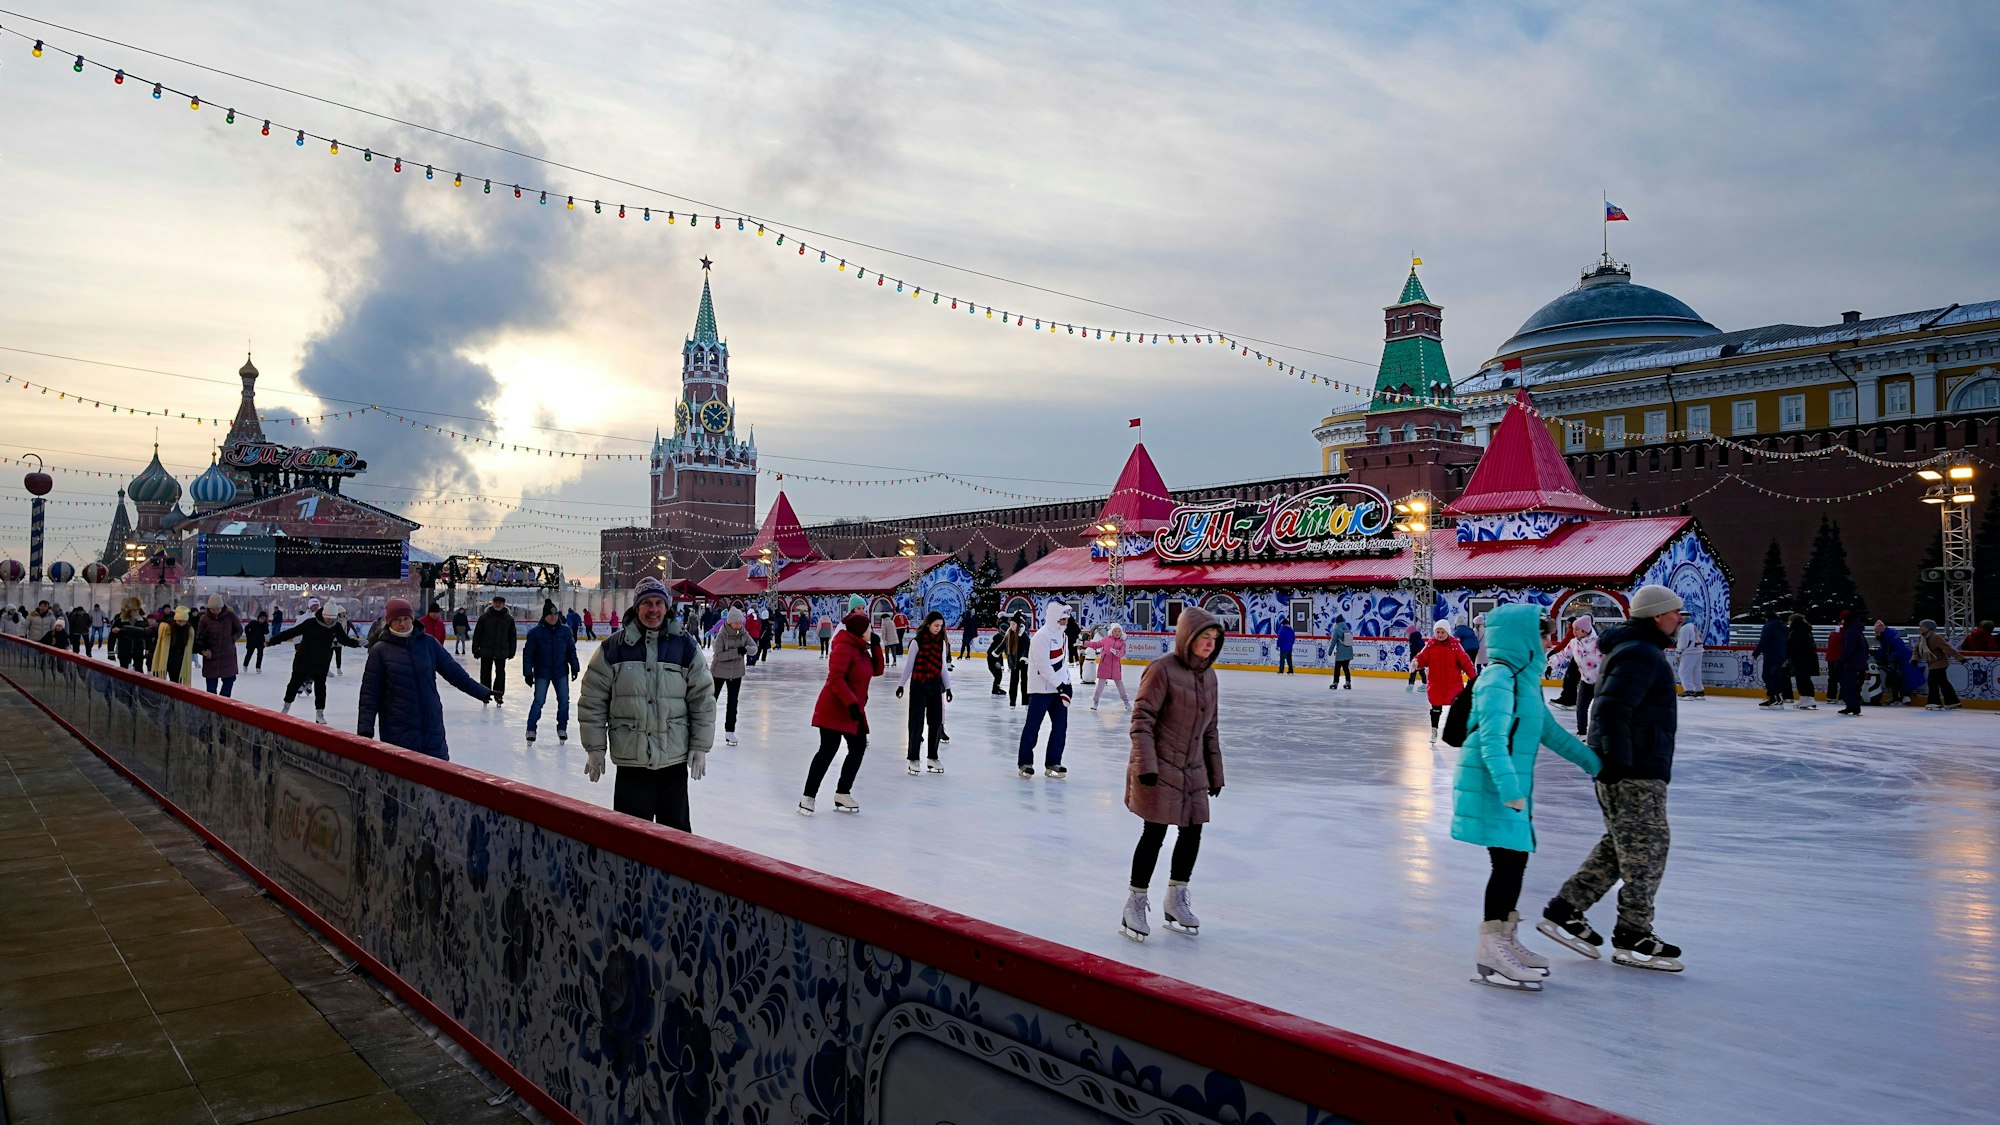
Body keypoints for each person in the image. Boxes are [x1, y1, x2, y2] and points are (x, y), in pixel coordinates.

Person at [1450, 608, 1600, 991]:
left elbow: (1548, 731)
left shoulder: (1524, 680)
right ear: (1523, 637)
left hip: (1507, 783)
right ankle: (1492, 947)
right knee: (1507, 862)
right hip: (1491, 782)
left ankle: (1504, 937)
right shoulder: (1498, 678)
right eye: (1545, 634)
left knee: (1514, 860)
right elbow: (1491, 740)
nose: (1552, 641)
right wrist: (1509, 790)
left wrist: (1595, 764)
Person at [1542, 584, 1687, 973]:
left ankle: (1567, 909)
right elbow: (1609, 709)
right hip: (1633, 769)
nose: (1680, 619)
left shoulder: (1638, 650)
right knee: (1648, 848)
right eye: (1676, 613)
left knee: (1623, 844)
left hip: (1635, 765)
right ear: (1657, 615)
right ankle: (1633, 933)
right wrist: (1619, 762)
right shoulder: (1640, 652)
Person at [1119, 605, 1227, 943]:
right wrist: (1146, 766)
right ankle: (1135, 902)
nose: (1209, 644)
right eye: (1203, 638)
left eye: (1214, 639)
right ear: (1186, 638)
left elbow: (1211, 730)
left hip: (1193, 768)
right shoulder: (1162, 670)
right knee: (1154, 833)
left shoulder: (1209, 677)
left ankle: (1176, 897)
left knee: (1193, 832)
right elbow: (1142, 721)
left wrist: (1215, 772)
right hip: (1161, 766)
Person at [578, 577, 715, 832]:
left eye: (658, 603)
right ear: (636, 608)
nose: (653, 610)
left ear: (666, 607)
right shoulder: (613, 649)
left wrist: (700, 745)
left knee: (675, 840)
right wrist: (595, 747)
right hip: (632, 760)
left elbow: (703, 698)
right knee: (629, 838)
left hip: (672, 760)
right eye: (647, 604)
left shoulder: (684, 646)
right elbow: (592, 701)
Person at [357, 596, 490, 759]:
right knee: (404, 776)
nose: (402, 624)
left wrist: (482, 692)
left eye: (406, 618)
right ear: (389, 622)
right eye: (397, 619)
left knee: (437, 773)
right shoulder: (380, 651)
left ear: (412, 618)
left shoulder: (428, 643)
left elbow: (455, 674)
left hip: (431, 723)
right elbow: (370, 694)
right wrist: (365, 729)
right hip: (398, 728)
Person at [801, 594, 884, 815]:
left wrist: (876, 647)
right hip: (835, 707)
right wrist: (851, 703)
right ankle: (808, 797)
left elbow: (877, 670)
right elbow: (835, 678)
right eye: (869, 629)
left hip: (853, 709)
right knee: (828, 750)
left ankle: (842, 793)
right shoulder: (844, 646)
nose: (872, 631)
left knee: (858, 748)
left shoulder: (861, 648)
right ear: (860, 630)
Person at [270, 598, 361, 724]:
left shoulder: (335, 625)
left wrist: (357, 643)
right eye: (328, 618)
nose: (330, 621)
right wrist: (272, 641)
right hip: (303, 659)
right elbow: (291, 632)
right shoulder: (310, 623)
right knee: (294, 684)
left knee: (320, 689)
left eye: (333, 619)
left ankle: (320, 713)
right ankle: (286, 707)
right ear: (323, 615)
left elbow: (344, 639)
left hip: (322, 662)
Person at [1018, 603, 1075, 779]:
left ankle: (1053, 762)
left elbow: (1062, 664)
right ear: (1054, 617)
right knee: (1033, 726)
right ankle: (1025, 762)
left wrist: (1068, 683)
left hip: (1058, 690)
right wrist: (1060, 685)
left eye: (1067, 619)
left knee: (1060, 727)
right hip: (1040, 690)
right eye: (1062, 619)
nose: (1065, 622)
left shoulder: (1063, 636)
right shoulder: (1041, 636)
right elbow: (1043, 666)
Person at [897, 610, 952, 774]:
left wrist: (948, 688)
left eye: (941, 626)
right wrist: (901, 685)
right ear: (928, 624)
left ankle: (932, 758)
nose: (938, 628)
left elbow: (942, 667)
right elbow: (909, 666)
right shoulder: (916, 642)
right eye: (936, 625)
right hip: (919, 686)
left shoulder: (941, 643)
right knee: (916, 723)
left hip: (935, 686)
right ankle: (913, 758)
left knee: (935, 723)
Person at [521, 599, 581, 743]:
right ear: (544, 616)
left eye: (555, 615)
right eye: (550, 615)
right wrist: (527, 673)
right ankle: (531, 729)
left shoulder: (565, 631)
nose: (553, 618)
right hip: (542, 672)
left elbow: (571, 651)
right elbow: (528, 654)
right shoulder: (535, 633)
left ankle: (562, 728)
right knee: (539, 701)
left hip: (560, 671)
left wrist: (575, 667)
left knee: (564, 701)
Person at [1412, 621, 1475, 734]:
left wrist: (1473, 677)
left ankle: (1458, 729)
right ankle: (1434, 729)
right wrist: (1416, 662)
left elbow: (1466, 662)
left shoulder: (1455, 645)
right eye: (1438, 632)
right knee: (1436, 708)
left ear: (1448, 632)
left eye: (1442, 632)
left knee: (1457, 708)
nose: (1440, 634)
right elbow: (1422, 657)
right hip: (1436, 684)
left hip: (1453, 684)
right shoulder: (1431, 645)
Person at [710, 608, 751, 747]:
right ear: (731, 622)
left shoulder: (743, 633)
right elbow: (718, 655)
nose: (740, 625)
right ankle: (703, 727)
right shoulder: (722, 635)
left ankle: (730, 730)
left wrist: (746, 649)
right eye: (737, 623)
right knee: (711, 700)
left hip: (736, 673)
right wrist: (737, 652)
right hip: (719, 672)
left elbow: (754, 647)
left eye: (741, 622)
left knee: (733, 702)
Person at [1559, 616, 1604, 736]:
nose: (1574, 632)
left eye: (1577, 629)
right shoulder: (1574, 643)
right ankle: (1582, 733)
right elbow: (1563, 655)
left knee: (1600, 710)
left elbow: (1610, 658)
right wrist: (1550, 664)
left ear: (1585, 631)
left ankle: (1601, 734)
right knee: (1581, 708)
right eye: (1573, 629)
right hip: (1585, 681)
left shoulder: (1599, 643)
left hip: (1600, 682)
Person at [472, 596, 519, 705]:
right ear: (492, 603)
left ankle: (498, 695)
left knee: (500, 674)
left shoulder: (508, 619)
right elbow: (477, 635)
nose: (498, 604)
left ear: (503, 604)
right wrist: (476, 649)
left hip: (501, 651)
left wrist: (512, 651)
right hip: (486, 650)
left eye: (500, 603)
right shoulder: (484, 618)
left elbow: (512, 637)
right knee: (485, 674)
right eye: (496, 602)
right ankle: (485, 693)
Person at [193, 594, 243, 697]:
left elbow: (239, 629)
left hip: (228, 656)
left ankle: (223, 707)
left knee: (228, 684)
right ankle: (212, 709)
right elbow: (199, 638)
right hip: (211, 657)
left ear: (222, 607)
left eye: (217, 609)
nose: (215, 611)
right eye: (212, 609)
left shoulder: (231, 616)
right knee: (211, 690)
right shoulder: (204, 619)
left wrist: (232, 639)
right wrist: (203, 650)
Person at [1914, 620, 1962, 711]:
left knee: (1932, 682)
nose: (1920, 628)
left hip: (1940, 663)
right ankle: (1952, 702)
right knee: (1943, 682)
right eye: (1920, 626)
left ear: (1929, 628)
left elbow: (1947, 648)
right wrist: (1914, 659)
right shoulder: (1922, 638)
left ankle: (1934, 702)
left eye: (1922, 626)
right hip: (1932, 663)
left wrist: (1960, 658)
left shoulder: (1935, 637)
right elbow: (1916, 650)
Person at [1870, 620, 1916, 707]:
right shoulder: (1886, 637)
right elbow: (1883, 648)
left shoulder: (1891, 637)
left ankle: (1899, 698)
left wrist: (1890, 656)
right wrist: (1876, 654)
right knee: (1893, 679)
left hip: (1901, 661)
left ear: (1881, 631)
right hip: (1895, 660)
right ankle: (1897, 697)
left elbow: (1901, 649)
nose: (1876, 634)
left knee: (1898, 679)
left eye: (1876, 632)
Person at [1834, 611, 1869, 716]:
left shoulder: (1850, 632)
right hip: (1859, 663)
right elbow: (1865, 647)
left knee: (1848, 686)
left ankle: (1852, 706)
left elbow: (1849, 648)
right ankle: (1852, 707)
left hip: (1852, 663)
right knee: (1852, 687)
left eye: (1843, 620)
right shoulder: (1858, 631)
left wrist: (1841, 660)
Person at [1087, 623, 1130, 709]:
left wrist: (1116, 652)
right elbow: (1096, 645)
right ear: (1112, 632)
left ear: (1121, 632)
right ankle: (1095, 702)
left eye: (1118, 631)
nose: (1117, 633)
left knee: (1120, 686)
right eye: (1115, 631)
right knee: (1100, 687)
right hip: (1104, 666)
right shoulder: (1106, 639)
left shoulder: (1122, 643)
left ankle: (1126, 702)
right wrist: (1084, 643)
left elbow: (1122, 653)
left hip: (1115, 667)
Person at [1754, 610, 1791, 708]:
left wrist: (1755, 653)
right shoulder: (1784, 627)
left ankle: (1773, 698)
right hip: (1782, 656)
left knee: (1767, 676)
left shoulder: (1768, 626)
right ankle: (1778, 698)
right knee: (1776, 676)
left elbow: (1764, 640)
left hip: (1771, 656)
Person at [150, 606, 197, 684]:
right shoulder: (165, 627)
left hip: (180, 662)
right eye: (179, 621)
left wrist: (203, 649)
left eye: (184, 621)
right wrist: (126, 629)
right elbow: (147, 632)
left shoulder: (189, 630)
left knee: (176, 683)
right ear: (175, 619)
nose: (181, 624)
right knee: (163, 683)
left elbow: (194, 644)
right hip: (167, 660)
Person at [1785, 614, 1821, 709]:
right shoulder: (1805, 630)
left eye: (1790, 620)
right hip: (1805, 659)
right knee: (1803, 678)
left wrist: (1787, 655)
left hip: (1801, 659)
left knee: (1802, 678)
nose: (1788, 622)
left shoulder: (1796, 632)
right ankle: (1804, 698)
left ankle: (1807, 698)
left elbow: (1792, 646)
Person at [112, 597, 151, 670]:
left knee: (139, 670)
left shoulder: (143, 621)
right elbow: (112, 636)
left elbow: (148, 636)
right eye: (134, 610)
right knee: (123, 671)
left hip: (138, 650)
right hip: (124, 650)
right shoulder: (119, 620)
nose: (136, 612)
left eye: (138, 610)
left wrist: (148, 650)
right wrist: (110, 651)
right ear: (128, 611)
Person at [1672, 615, 1705, 700]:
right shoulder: (1693, 626)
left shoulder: (1685, 628)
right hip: (1698, 650)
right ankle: (1699, 691)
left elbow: (1682, 642)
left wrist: (1678, 653)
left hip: (1689, 652)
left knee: (1683, 672)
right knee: (1695, 672)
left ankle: (1689, 691)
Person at [1003, 614, 1030, 707]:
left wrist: (1024, 657)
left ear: (1018, 625)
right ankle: (1012, 702)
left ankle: (1026, 701)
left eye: (1013, 624)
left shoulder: (1023, 635)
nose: (1011, 626)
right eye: (1010, 624)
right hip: (1013, 661)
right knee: (1013, 681)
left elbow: (1027, 647)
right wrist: (996, 652)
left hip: (1022, 662)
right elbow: (1004, 644)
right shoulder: (1008, 634)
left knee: (1024, 681)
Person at [1328, 617, 1354, 688]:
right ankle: (1348, 683)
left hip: (1341, 653)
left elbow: (1333, 642)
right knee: (1346, 668)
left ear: (1337, 622)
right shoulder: (1347, 629)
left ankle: (1335, 683)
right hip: (1349, 651)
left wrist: (1330, 651)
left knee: (1337, 668)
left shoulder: (1336, 630)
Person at [1405, 622, 1427, 693]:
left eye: (1407, 633)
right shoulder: (1419, 639)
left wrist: (1414, 659)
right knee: (1422, 672)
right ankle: (1425, 684)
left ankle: (1411, 685)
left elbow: (1415, 651)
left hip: (1415, 660)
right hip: (1420, 659)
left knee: (1413, 673)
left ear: (1411, 633)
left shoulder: (1413, 640)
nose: (1407, 635)